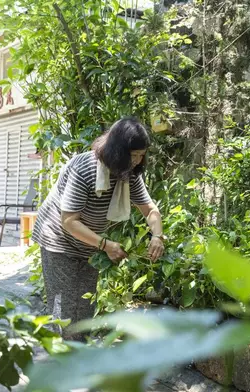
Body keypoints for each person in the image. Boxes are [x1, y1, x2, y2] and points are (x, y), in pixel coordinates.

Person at [32, 117, 165, 339]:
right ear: (118, 151)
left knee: (84, 303)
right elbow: (69, 221)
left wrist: (157, 235)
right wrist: (105, 244)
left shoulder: (129, 174)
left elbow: (150, 210)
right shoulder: (84, 168)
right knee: (65, 307)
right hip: (57, 238)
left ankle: (78, 358)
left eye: (141, 155)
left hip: (89, 243)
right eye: (133, 156)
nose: (137, 161)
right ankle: (66, 361)